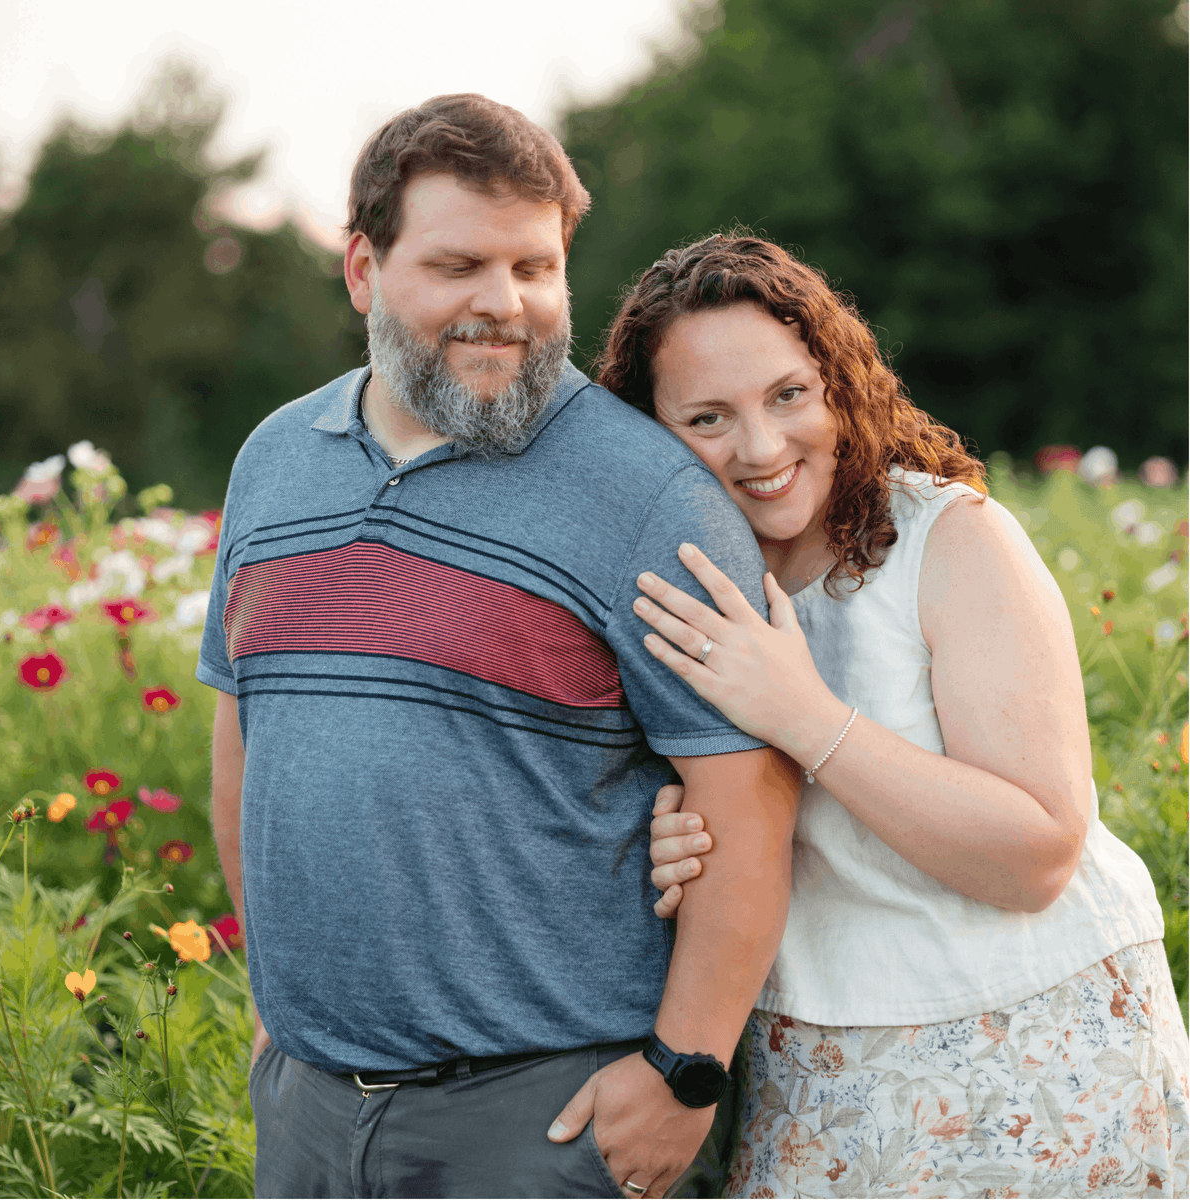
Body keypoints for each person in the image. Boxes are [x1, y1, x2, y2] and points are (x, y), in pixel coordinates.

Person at [197, 98, 799, 1199]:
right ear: (363, 270)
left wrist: (685, 1070)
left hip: (546, 1119)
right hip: (310, 1105)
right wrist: (274, 1017)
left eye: (535, 266)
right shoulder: (273, 462)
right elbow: (248, 742)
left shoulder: (644, 493)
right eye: (460, 264)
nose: (503, 304)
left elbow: (749, 793)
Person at [569, 232, 1188, 1197]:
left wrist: (805, 716)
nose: (763, 448)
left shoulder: (949, 537)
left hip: (1034, 1041)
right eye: (707, 417)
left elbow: (1036, 857)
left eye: (787, 396)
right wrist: (677, 837)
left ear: (837, 382)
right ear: (649, 432)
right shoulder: (680, 589)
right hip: (813, 1062)